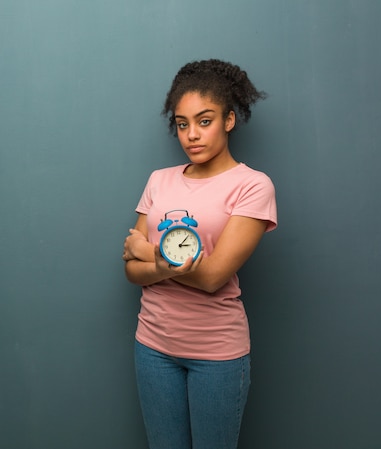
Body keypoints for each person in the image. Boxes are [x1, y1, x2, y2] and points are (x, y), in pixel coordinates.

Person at [122, 59, 277, 449]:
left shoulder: (252, 186)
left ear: (228, 119)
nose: (192, 135)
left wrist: (151, 255)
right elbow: (130, 270)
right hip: (153, 347)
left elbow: (212, 277)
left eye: (204, 121)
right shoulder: (160, 180)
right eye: (182, 124)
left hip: (217, 355)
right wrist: (155, 262)